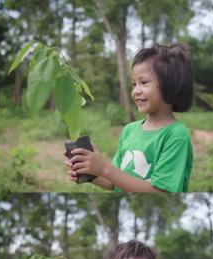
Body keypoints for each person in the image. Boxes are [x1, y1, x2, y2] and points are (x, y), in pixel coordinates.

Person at [66, 43, 194, 192]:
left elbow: (160, 192)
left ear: (170, 84)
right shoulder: (129, 130)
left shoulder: (176, 135)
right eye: (134, 84)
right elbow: (114, 183)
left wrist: (105, 168)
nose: (135, 91)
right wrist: (92, 172)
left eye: (144, 83)